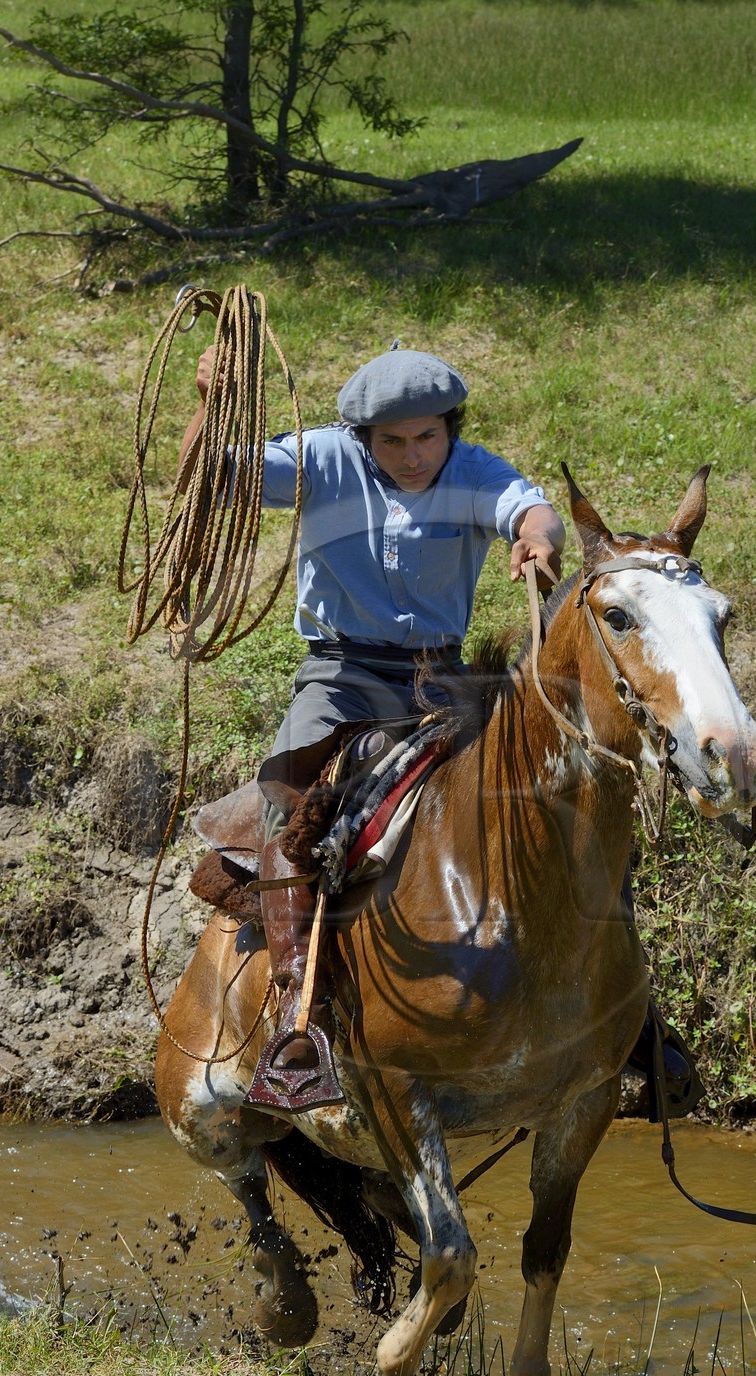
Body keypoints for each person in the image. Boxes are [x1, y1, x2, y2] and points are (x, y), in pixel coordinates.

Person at [179, 345, 565, 1084]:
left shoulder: (473, 469)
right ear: (362, 437)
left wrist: (536, 539)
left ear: (450, 428)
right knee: (282, 803)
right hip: (341, 673)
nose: (413, 455)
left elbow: (527, 505)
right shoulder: (322, 457)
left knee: (548, 796)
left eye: (427, 437)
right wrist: (210, 403)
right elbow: (214, 478)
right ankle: (299, 1005)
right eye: (393, 441)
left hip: (438, 678)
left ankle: (627, 1009)